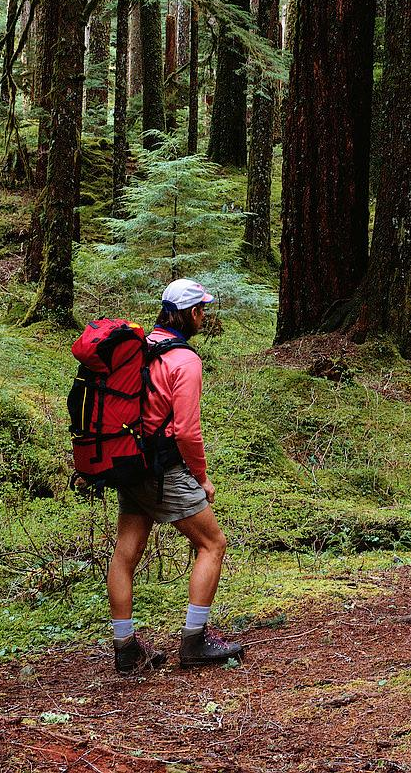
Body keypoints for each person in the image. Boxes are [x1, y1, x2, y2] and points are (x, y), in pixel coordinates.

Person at [107, 278, 245, 674]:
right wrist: (201, 478)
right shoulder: (185, 361)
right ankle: (194, 641)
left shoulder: (142, 347)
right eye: (202, 308)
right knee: (213, 544)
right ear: (191, 314)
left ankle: (126, 648)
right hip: (162, 470)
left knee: (126, 549)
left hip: (129, 463)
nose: (204, 314)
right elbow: (187, 431)